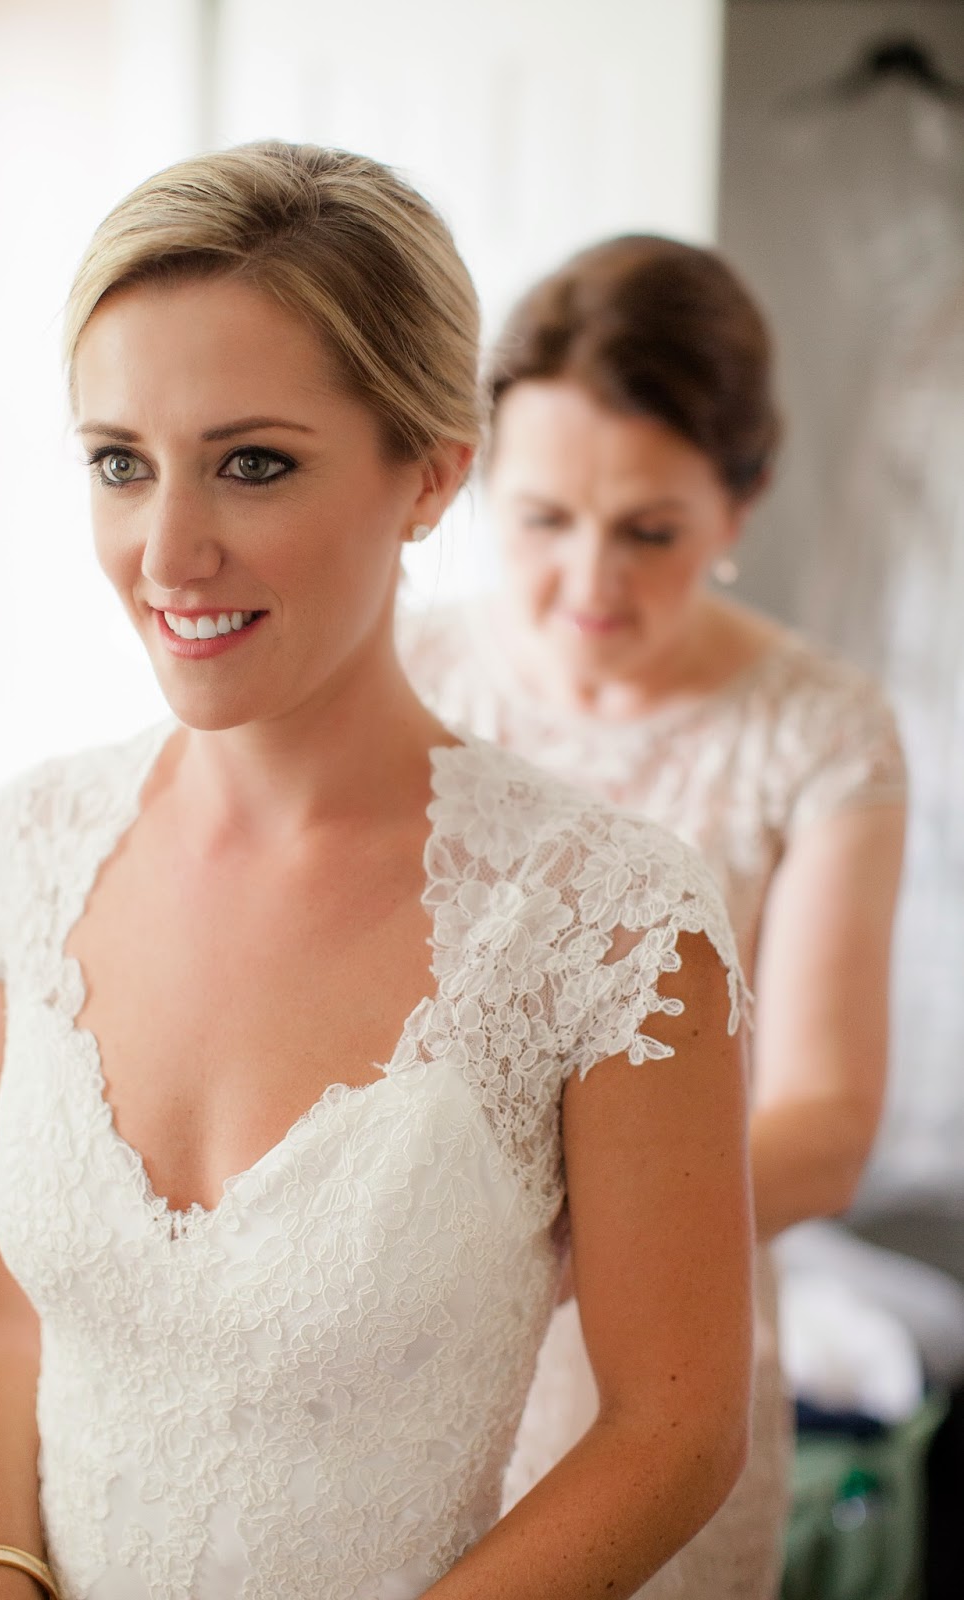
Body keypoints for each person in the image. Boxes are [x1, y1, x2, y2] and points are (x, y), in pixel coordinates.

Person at [0, 149, 754, 1600]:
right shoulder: (28, 852)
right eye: (120, 462)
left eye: (253, 463)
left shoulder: (609, 924)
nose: (168, 552)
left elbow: (671, 1430)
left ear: (429, 474)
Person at [400, 235, 907, 1599]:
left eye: (649, 532)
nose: (588, 583)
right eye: (542, 519)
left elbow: (822, 1130)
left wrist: (521, 1248)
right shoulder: (397, 675)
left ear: (739, 505)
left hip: (668, 1352)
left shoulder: (821, 734)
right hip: (388, 1345)